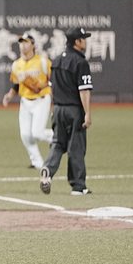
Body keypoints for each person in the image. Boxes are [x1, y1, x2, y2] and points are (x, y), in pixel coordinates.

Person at [40, 27, 93, 196]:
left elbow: (52, 88)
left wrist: (54, 109)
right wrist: (87, 113)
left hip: (58, 109)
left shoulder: (56, 61)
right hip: (74, 110)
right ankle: (78, 186)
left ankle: (48, 169)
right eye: (83, 38)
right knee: (76, 147)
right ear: (77, 42)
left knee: (57, 143)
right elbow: (84, 90)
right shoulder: (80, 62)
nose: (85, 41)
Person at [2, 32, 54, 169]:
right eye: (21, 42)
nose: (23, 45)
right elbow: (16, 84)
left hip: (41, 100)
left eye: (26, 42)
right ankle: (38, 163)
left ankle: (58, 138)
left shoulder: (43, 62)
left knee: (37, 133)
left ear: (33, 45)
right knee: (25, 135)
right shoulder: (16, 65)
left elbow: (54, 79)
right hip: (25, 101)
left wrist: (45, 86)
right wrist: (9, 95)